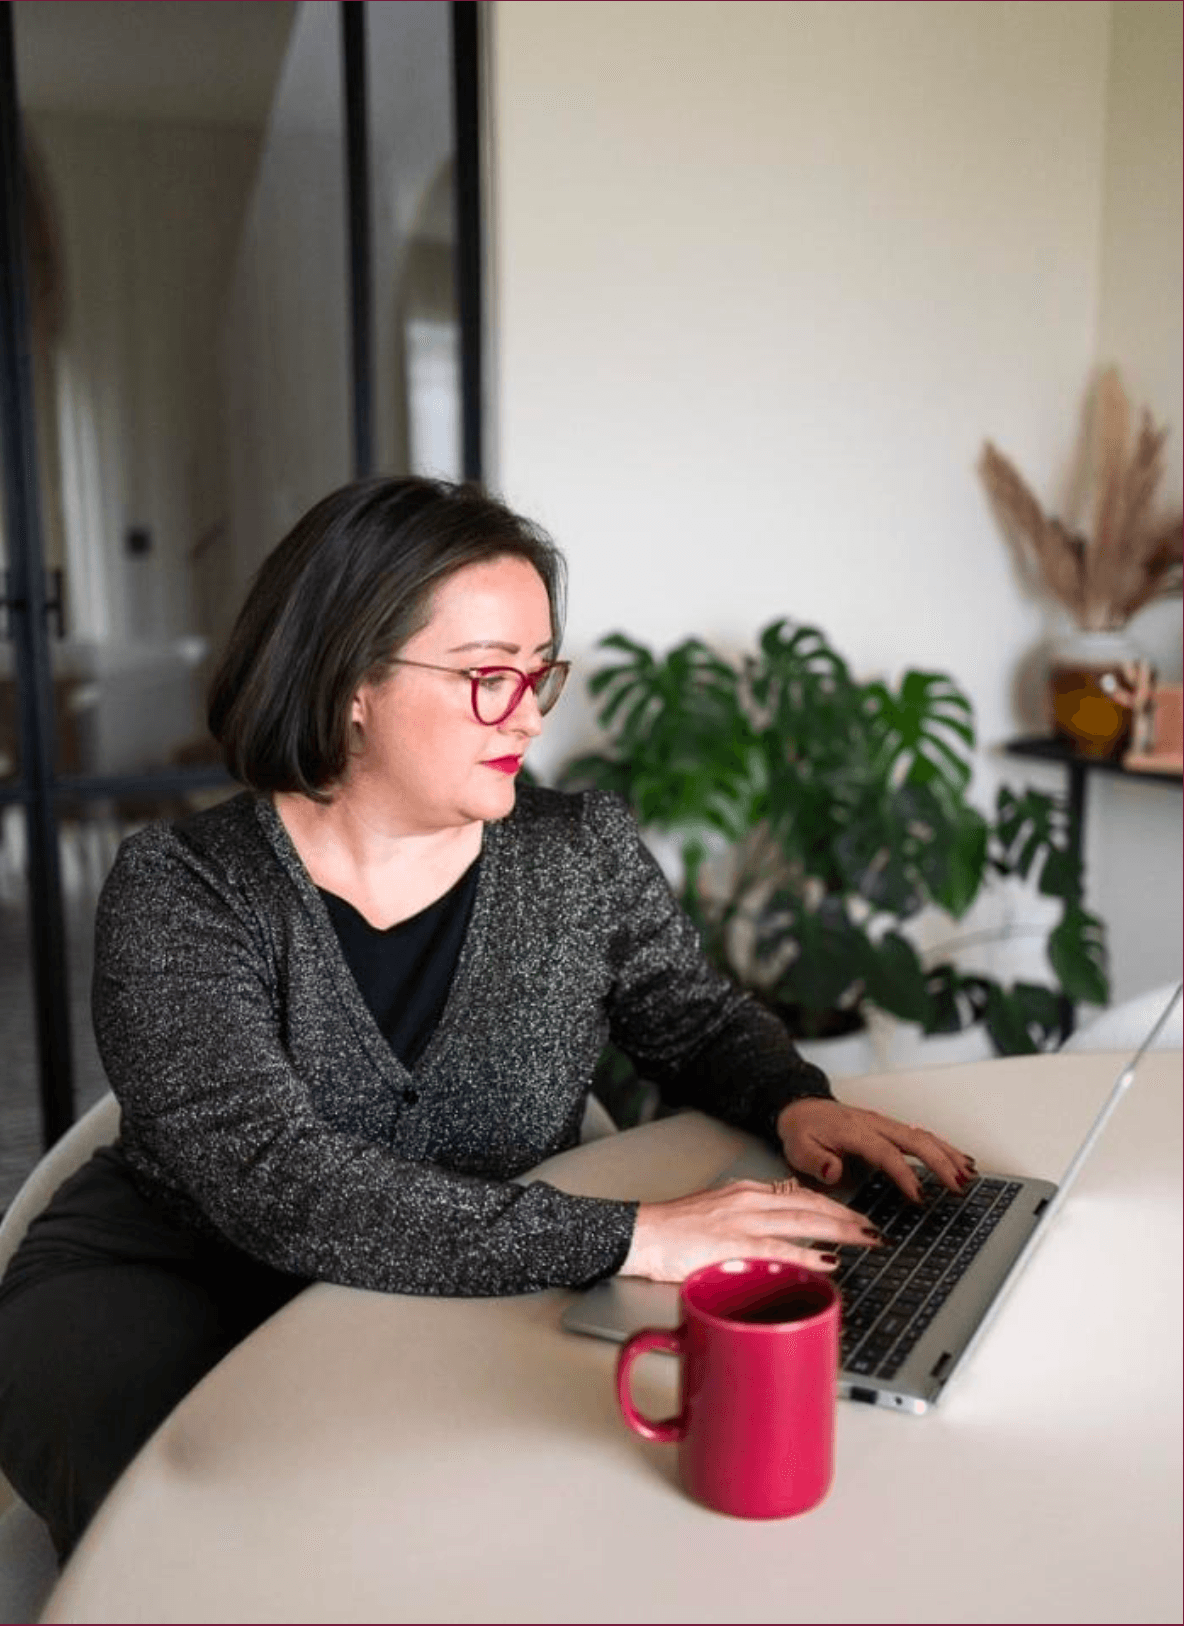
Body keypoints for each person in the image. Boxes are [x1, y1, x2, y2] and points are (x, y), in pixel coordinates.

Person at [0, 476, 974, 1558]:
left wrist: (794, 1103)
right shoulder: (185, 888)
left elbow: (691, 1023)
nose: (530, 714)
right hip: (173, 1286)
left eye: (538, 671)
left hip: (466, 1291)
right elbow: (279, 1183)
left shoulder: (578, 854)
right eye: (486, 676)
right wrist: (638, 1236)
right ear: (351, 683)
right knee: (224, 1541)